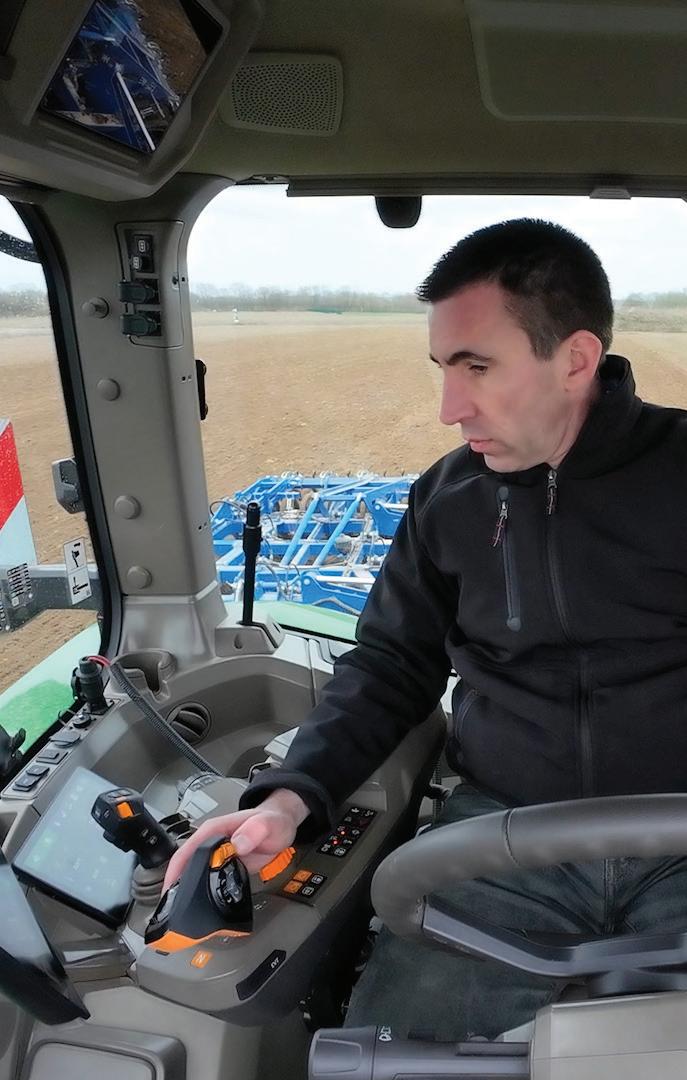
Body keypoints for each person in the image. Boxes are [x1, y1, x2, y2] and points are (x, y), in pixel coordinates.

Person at [164, 218, 687, 1039]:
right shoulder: (447, 500)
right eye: (443, 369)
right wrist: (290, 797)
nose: (449, 409)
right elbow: (389, 665)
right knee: (391, 1054)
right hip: (504, 842)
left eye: (476, 367)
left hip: (679, 831)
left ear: (575, 359)